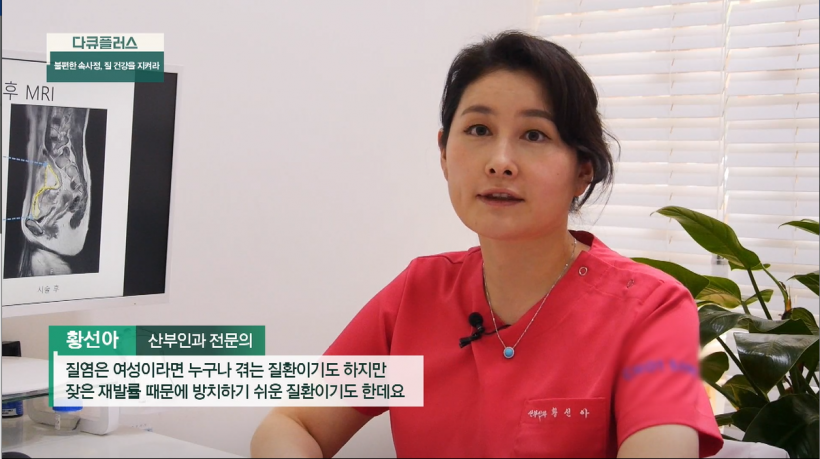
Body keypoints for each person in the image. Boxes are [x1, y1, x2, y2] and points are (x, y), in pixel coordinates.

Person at [251, 30, 723, 458]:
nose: (500, 162)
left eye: (534, 135)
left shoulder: (652, 310)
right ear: (443, 152)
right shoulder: (418, 295)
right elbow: (294, 423)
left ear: (583, 170)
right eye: (479, 130)